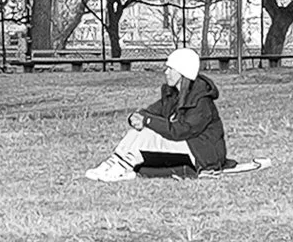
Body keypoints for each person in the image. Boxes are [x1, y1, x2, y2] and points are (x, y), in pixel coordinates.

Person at [86, 47, 229, 180]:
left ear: (182, 72)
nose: (166, 72)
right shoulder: (172, 95)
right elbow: (150, 112)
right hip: (185, 145)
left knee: (149, 133)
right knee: (140, 130)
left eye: (170, 69)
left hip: (203, 154)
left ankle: (124, 167)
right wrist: (135, 118)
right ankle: (114, 161)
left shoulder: (201, 102)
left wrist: (147, 121)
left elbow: (181, 131)